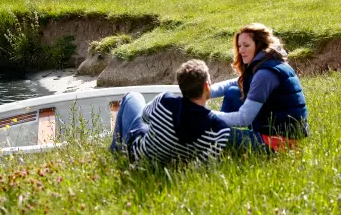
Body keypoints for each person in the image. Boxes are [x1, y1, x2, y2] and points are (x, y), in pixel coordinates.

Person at [210, 23, 309, 151]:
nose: (241, 50)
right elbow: (235, 82)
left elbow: (244, 118)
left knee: (215, 132)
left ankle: (215, 145)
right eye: (239, 46)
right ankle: (217, 140)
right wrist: (205, 91)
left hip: (280, 143)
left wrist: (206, 115)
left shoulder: (265, 74)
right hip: (276, 133)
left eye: (246, 45)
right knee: (233, 93)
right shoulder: (268, 63)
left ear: (260, 45)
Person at [110, 59, 231, 164]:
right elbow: (204, 163)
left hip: (139, 158)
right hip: (173, 167)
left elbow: (144, 117)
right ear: (207, 87)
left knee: (133, 96)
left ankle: (115, 155)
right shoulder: (220, 130)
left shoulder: (164, 100)